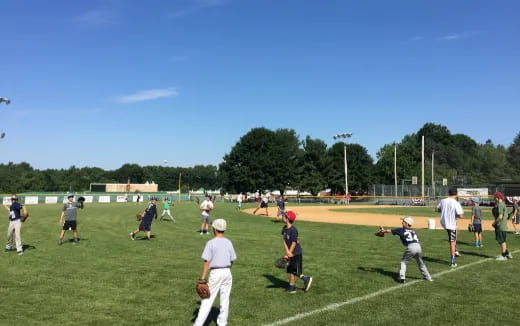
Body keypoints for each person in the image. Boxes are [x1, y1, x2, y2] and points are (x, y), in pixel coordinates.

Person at [193, 219, 237, 326]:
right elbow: (232, 259)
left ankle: (198, 324)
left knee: (207, 300)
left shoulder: (211, 243)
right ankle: (222, 323)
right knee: (225, 299)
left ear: (214, 229)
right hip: (227, 272)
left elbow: (207, 261)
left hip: (216, 273)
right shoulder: (228, 242)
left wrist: (202, 278)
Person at [379, 216, 432, 283]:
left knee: (403, 262)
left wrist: (383, 231)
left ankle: (402, 278)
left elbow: (389, 231)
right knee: (420, 262)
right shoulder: (413, 231)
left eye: (404, 221)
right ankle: (428, 277)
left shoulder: (401, 230)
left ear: (407, 224)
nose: (402, 222)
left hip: (411, 247)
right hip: (418, 246)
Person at [281, 210, 313, 293]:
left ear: (287, 219)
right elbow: (284, 240)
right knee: (291, 270)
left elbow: (294, 242)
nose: (282, 216)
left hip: (296, 253)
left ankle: (306, 279)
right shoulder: (284, 228)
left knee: (295, 271)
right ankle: (292, 287)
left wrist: (289, 253)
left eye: (284, 216)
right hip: (290, 252)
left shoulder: (293, 230)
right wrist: (287, 252)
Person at [437, 188, 464, 267]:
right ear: (456, 194)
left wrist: (445, 211)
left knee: (455, 233)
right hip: (451, 224)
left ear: (449, 193)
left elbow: (437, 209)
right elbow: (461, 216)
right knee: (452, 242)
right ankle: (453, 261)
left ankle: (455, 250)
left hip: (444, 223)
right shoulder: (456, 203)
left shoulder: (443, 201)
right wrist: (455, 214)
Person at [492, 192, 512, 260]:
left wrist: (494, 223)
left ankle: (503, 255)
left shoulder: (500, 205)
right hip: (503, 225)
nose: (494, 198)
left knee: (501, 241)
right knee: (503, 240)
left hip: (500, 225)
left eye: (495, 197)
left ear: (497, 198)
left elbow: (500, 217)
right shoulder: (503, 204)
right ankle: (507, 254)